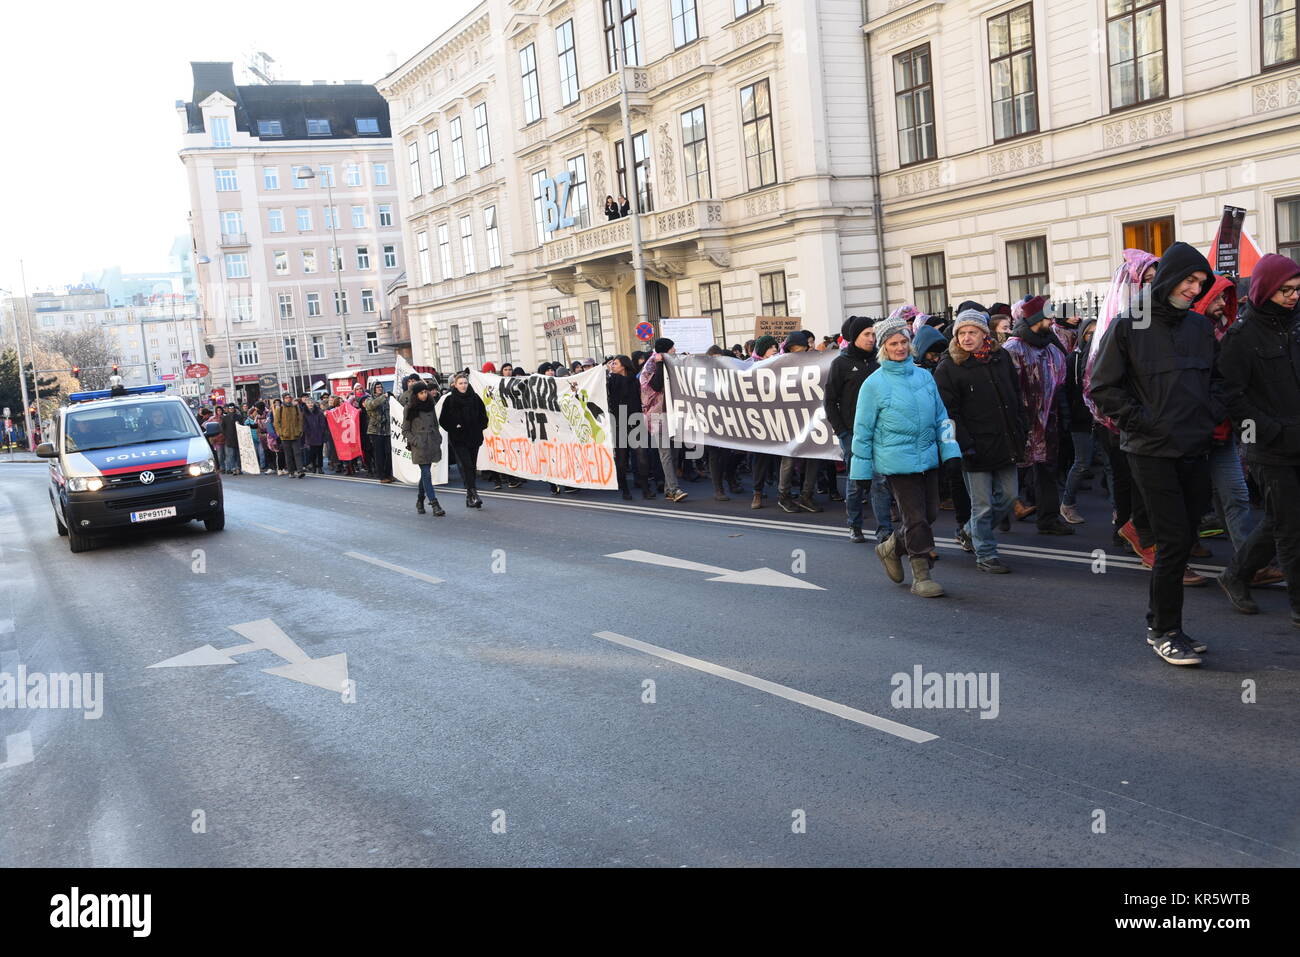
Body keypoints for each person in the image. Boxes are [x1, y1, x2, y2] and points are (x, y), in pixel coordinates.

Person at [1091, 241, 1219, 666]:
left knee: (1186, 540)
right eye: (1189, 279)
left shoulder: (1201, 329)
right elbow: (1102, 388)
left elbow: (1219, 382)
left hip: (1197, 448)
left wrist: (1210, 416)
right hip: (1150, 452)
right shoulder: (1129, 326)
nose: (1194, 288)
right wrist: (1144, 422)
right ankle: (1166, 630)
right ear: (1168, 278)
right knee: (1173, 541)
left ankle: (1160, 624)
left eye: (1200, 283)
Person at [852, 314, 961, 597]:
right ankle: (921, 575)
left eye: (903, 342)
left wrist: (950, 451)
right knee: (915, 518)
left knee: (930, 515)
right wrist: (861, 473)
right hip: (896, 463)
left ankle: (890, 547)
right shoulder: (873, 385)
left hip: (928, 457)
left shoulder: (925, 376)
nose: (900, 347)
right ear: (883, 348)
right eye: (893, 343)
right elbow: (862, 431)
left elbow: (942, 417)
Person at [1216, 254, 1300, 620]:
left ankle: (1236, 573)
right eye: (1286, 291)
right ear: (1267, 290)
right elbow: (1231, 394)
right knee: (1291, 529)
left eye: (1298, 289)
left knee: (1282, 519)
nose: (1294, 297)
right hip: (1269, 448)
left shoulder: (1297, 325)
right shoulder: (1241, 335)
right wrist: (1269, 430)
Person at [934, 308, 1027, 573]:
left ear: (984, 333)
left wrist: (1021, 427)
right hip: (973, 447)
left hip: (1005, 441)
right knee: (983, 505)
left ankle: (968, 530)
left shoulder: (1001, 357)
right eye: (961, 333)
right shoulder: (949, 366)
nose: (966, 337)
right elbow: (948, 412)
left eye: (972, 332)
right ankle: (986, 554)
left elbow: (1015, 394)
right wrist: (964, 443)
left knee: (1009, 497)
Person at [1004, 295, 1073, 535]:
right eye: (1049, 316)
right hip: (1021, 422)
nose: (1053, 320)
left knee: (1046, 470)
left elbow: (1060, 383)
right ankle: (1003, 512)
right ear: (1036, 319)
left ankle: (1049, 518)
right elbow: (1008, 388)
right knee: (1015, 470)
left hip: (1048, 421)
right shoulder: (1013, 348)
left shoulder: (1050, 346)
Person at [825, 316, 880, 543]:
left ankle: (884, 529)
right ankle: (854, 525)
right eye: (866, 334)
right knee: (857, 480)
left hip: (880, 431)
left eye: (873, 334)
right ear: (855, 337)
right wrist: (842, 432)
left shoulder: (879, 360)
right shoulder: (841, 363)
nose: (871, 338)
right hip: (852, 433)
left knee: (881, 480)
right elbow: (830, 400)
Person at [1059, 318, 1113, 525]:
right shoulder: (1073, 359)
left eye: (1096, 333)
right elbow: (1066, 391)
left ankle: (1119, 511)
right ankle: (1067, 503)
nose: (1092, 337)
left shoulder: (1106, 356)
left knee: (1110, 465)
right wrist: (1069, 417)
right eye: (1088, 334)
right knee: (1082, 463)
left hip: (1104, 420)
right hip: (1081, 420)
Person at [775, 331, 823, 513]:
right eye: (797, 350)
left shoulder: (814, 362)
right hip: (789, 418)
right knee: (788, 457)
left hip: (810, 417)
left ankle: (806, 495)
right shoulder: (780, 364)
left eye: (803, 350)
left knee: (815, 456)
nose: (801, 353)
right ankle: (783, 496)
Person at [639, 338, 687, 503]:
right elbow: (657, 385)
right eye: (672, 348)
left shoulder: (669, 361)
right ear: (664, 351)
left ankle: (668, 488)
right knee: (665, 453)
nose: (675, 350)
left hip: (672, 413)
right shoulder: (651, 365)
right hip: (657, 415)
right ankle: (674, 489)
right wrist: (660, 364)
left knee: (674, 453)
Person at [439, 372, 488, 508]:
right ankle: (474, 493)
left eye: (465, 383)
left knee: (471, 466)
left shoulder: (475, 398)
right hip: (459, 439)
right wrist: (455, 426)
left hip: (474, 438)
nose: (463, 385)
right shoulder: (450, 400)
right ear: (455, 384)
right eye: (460, 383)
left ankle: (469, 496)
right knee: (466, 465)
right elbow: (443, 420)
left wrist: (479, 427)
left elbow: (484, 417)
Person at [608, 355, 651, 500]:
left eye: (615, 363)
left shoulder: (634, 380)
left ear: (623, 366)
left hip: (635, 422)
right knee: (621, 459)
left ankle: (646, 489)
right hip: (619, 423)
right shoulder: (611, 381)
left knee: (642, 457)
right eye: (612, 363)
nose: (613, 365)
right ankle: (625, 490)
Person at [402, 380, 446, 517]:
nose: (424, 395)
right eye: (421, 393)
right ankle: (434, 503)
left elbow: (435, 423)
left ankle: (420, 500)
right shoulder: (409, 408)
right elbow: (405, 430)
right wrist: (416, 441)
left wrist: (438, 438)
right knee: (426, 473)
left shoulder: (430, 404)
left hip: (431, 442)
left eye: (425, 392)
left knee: (425, 474)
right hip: (420, 445)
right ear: (416, 394)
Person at [747, 335, 782, 507]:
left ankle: (783, 492)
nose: (774, 350)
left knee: (781, 458)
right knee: (760, 459)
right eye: (770, 347)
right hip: (759, 420)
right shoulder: (749, 366)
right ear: (762, 350)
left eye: (775, 347)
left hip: (778, 418)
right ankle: (757, 493)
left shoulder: (780, 365)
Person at [364, 382, 395, 483]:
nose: (379, 389)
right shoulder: (369, 399)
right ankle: (382, 476)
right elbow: (371, 406)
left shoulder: (387, 400)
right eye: (377, 387)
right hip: (376, 431)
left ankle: (388, 474)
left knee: (389, 453)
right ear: (373, 389)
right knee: (379, 455)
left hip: (387, 431)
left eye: (381, 387)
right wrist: (383, 397)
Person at [274, 395, 306, 478]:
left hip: (295, 434)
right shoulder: (280, 409)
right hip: (285, 435)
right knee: (288, 455)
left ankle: (300, 471)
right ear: (284, 399)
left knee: (297, 453)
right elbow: (276, 422)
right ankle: (291, 471)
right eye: (286, 398)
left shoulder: (295, 407)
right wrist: (280, 432)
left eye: (289, 398)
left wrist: (299, 430)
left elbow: (300, 419)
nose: (288, 399)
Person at [302, 396, 327, 474]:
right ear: (306, 404)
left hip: (319, 435)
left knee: (319, 452)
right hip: (310, 436)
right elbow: (304, 425)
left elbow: (323, 423)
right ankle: (313, 466)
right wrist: (308, 432)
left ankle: (320, 467)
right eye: (308, 403)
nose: (310, 404)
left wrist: (321, 432)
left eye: (311, 402)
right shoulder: (304, 413)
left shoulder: (319, 412)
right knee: (312, 453)